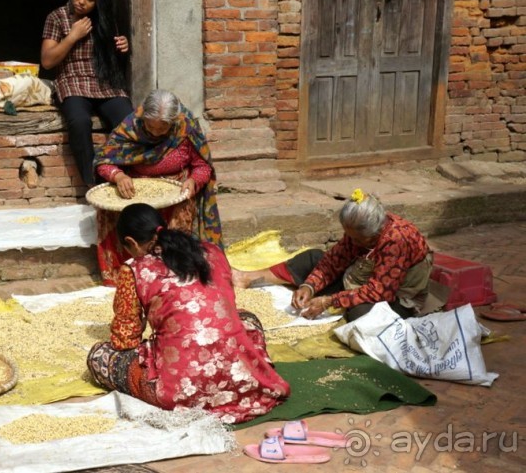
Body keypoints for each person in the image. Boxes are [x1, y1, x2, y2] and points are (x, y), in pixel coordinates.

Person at [87, 203, 290, 424]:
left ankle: (184, 387)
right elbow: (224, 308)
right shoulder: (212, 252)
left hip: (178, 391)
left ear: (131, 243)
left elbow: (125, 340)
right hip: (241, 379)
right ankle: (243, 373)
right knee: (247, 319)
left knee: (100, 356)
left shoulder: (134, 270)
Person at [232, 189, 447, 322]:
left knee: (361, 314)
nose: (350, 241)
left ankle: (343, 305)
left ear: (373, 235)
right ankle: (247, 277)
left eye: (356, 239)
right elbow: (334, 260)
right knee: (313, 258)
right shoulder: (359, 230)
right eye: (348, 235)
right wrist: (310, 286)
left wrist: (329, 301)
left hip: (395, 296)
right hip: (358, 279)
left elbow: (380, 293)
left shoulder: (397, 240)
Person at [93, 89, 222, 286]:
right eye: (150, 127)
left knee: (183, 204)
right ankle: (123, 272)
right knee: (110, 209)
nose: (154, 133)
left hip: (175, 186)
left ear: (173, 122)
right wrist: (118, 176)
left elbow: (202, 166)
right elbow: (104, 161)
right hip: (135, 185)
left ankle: (173, 267)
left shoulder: (186, 127)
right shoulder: (130, 127)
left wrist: (193, 181)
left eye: (162, 129)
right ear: (143, 117)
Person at [41, 0, 133, 187]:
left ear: (98, 2)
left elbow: (113, 62)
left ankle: (125, 173)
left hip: (103, 82)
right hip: (72, 80)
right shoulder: (57, 17)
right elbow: (47, 61)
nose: (81, 1)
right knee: (80, 121)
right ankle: (93, 182)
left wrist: (123, 48)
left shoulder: (105, 21)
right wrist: (72, 36)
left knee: (129, 121)